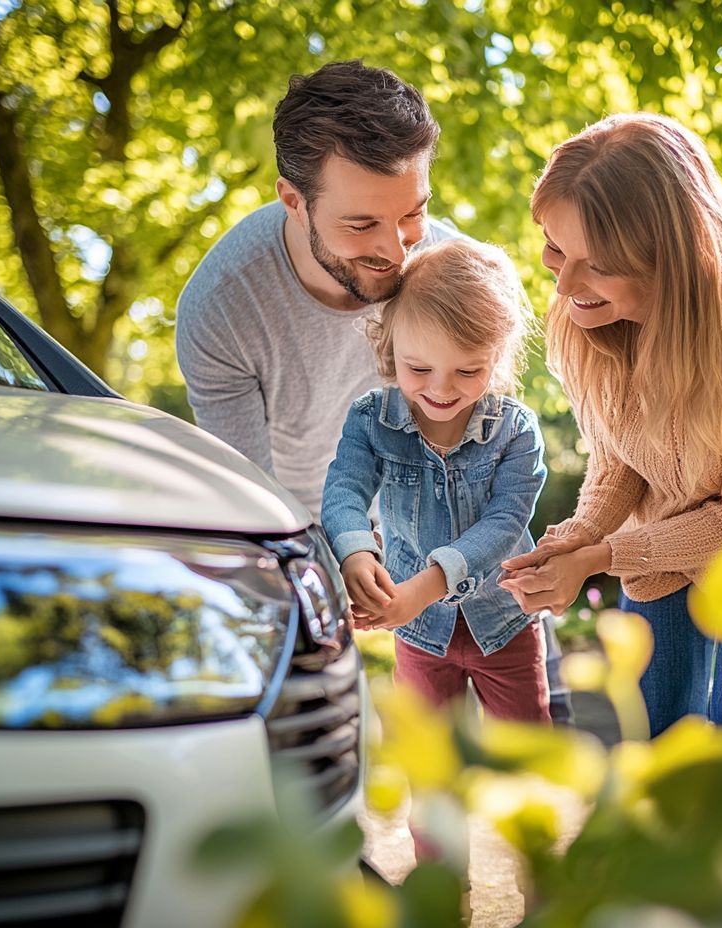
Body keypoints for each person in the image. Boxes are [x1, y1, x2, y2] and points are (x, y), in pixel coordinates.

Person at [175, 60, 571, 722]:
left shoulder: (446, 270)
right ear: (293, 199)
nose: (395, 250)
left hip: (451, 529)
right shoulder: (224, 305)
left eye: (412, 213)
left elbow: (491, 447)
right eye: (362, 225)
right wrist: (338, 563)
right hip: (305, 521)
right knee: (312, 731)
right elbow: (249, 495)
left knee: (534, 747)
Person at [499, 113, 722, 738]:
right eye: (556, 248)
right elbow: (621, 455)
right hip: (668, 530)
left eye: (597, 263)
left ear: (674, 255)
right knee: (650, 732)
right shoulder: (589, 310)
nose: (563, 284)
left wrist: (601, 556)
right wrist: (582, 533)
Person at [322, 239, 550, 721]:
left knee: (526, 754)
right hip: (419, 632)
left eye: (468, 370)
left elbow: (505, 521)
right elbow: (345, 490)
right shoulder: (371, 421)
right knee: (428, 764)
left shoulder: (515, 431)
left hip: (504, 620)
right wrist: (356, 551)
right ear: (390, 347)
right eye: (419, 368)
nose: (441, 389)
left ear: (498, 357)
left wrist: (424, 587)